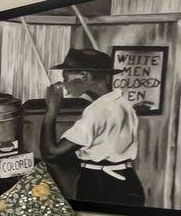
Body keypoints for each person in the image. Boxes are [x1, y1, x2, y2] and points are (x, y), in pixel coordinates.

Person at [39, 48, 145, 206]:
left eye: (66, 78)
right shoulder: (121, 103)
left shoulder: (98, 111)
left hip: (102, 186)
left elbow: (51, 153)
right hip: (125, 182)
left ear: (84, 76)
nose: (64, 84)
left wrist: (52, 110)